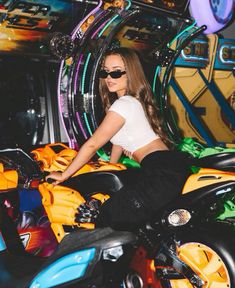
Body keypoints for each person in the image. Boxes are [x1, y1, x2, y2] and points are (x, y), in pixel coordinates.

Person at [46, 47, 192, 230]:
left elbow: (92, 144)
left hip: (160, 172)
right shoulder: (131, 102)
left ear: (130, 73)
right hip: (165, 168)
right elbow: (117, 143)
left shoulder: (123, 104)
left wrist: (64, 174)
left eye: (115, 72)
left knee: (107, 219)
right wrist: (108, 167)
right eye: (105, 72)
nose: (109, 77)